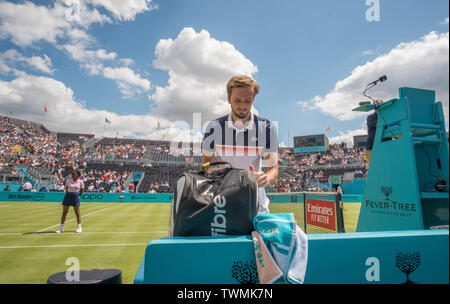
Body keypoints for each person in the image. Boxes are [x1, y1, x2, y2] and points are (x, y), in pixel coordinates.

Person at [202, 75, 279, 214]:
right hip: (223, 200)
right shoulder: (213, 127)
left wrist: (265, 178)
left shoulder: (267, 128)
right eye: (237, 100)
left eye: (247, 101)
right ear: (228, 98)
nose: (242, 106)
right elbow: (205, 165)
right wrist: (211, 173)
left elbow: (273, 168)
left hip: (255, 200)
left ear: (253, 100)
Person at [56, 169, 84, 233]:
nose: (72, 174)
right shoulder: (68, 180)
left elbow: (82, 190)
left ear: (78, 174)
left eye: (74, 173)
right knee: (64, 212)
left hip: (76, 196)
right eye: (72, 173)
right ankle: (61, 228)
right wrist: (68, 194)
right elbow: (66, 188)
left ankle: (79, 227)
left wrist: (78, 196)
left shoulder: (80, 181)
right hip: (68, 195)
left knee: (77, 213)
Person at [365, 100, 382, 166]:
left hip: (383, 143)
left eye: (379, 105)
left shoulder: (386, 116)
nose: (377, 107)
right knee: (372, 165)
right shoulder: (370, 117)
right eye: (376, 105)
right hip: (371, 145)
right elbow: (380, 123)